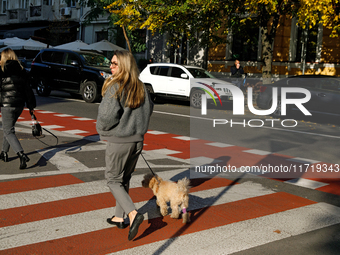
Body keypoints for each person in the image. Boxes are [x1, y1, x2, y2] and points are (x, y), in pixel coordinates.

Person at [96, 50, 154, 241]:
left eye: (114, 63)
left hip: (120, 140)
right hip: (137, 140)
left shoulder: (116, 86)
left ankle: (132, 213)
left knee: (113, 179)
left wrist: (103, 130)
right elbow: (149, 110)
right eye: (110, 63)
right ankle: (120, 217)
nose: (110, 66)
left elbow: (106, 116)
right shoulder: (141, 87)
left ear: (124, 65)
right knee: (124, 178)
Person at [0, 48, 36, 169]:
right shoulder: (22, 71)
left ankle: (21, 154)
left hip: (6, 105)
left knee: (8, 131)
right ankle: (4, 153)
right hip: (19, 105)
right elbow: (28, 91)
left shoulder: (2, 70)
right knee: (8, 128)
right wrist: (31, 107)